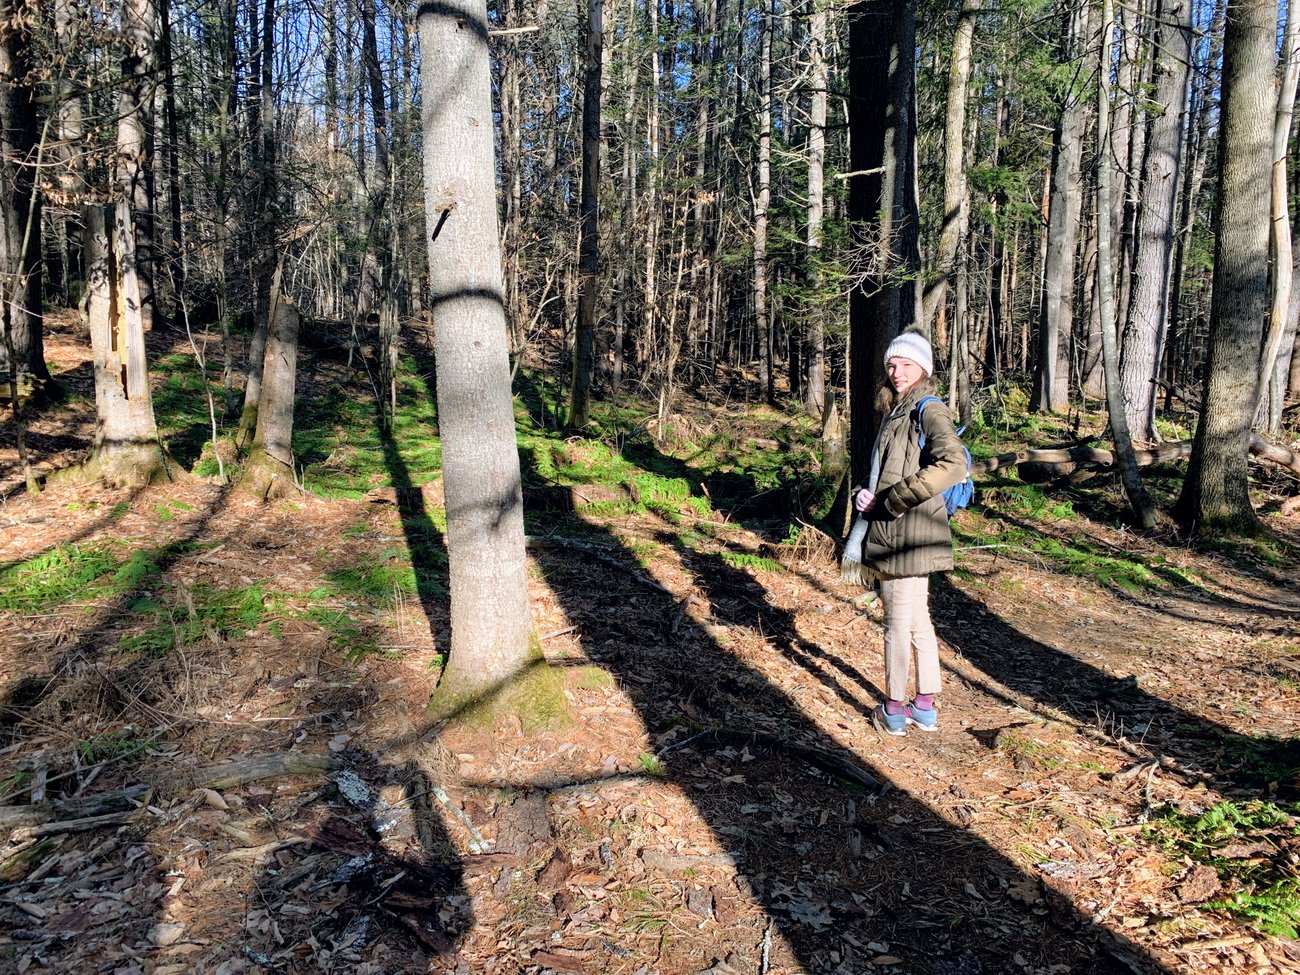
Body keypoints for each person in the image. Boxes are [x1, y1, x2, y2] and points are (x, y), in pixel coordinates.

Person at [840, 331, 967, 737]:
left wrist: (892, 501)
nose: (897, 372)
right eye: (892, 365)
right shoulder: (900, 409)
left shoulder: (928, 410)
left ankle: (894, 710)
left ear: (924, 369)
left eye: (906, 365)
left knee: (897, 623)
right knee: (917, 623)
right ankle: (925, 707)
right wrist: (867, 493)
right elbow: (890, 469)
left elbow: (953, 465)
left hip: (905, 533)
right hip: (907, 531)